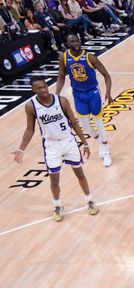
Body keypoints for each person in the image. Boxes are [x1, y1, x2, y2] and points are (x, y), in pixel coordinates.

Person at [12, 75, 99, 221]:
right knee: (54, 179)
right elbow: (30, 129)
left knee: (80, 174)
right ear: (33, 90)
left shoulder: (62, 101)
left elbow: (74, 123)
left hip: (68, 141)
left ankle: (89, 200)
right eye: (39, 88)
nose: (44, 89)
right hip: (51, 145)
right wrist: (21, 149)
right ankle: (57, 205)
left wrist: (85, 143)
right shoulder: (30, 106)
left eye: (45, 86)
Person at [55, 32, 113, 167]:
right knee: (85, 125)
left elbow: (106, 75)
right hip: (78, 94)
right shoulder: (64, 57)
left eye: (76, 41)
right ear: (68, 44)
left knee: (98, 122)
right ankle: (100, 141)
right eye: (72, 42)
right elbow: (61, 76)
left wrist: (108, 93)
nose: (75, 44)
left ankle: (105, 152)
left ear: (79, 41)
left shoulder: (90, 57)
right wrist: (57, 94)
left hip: (93, 93)